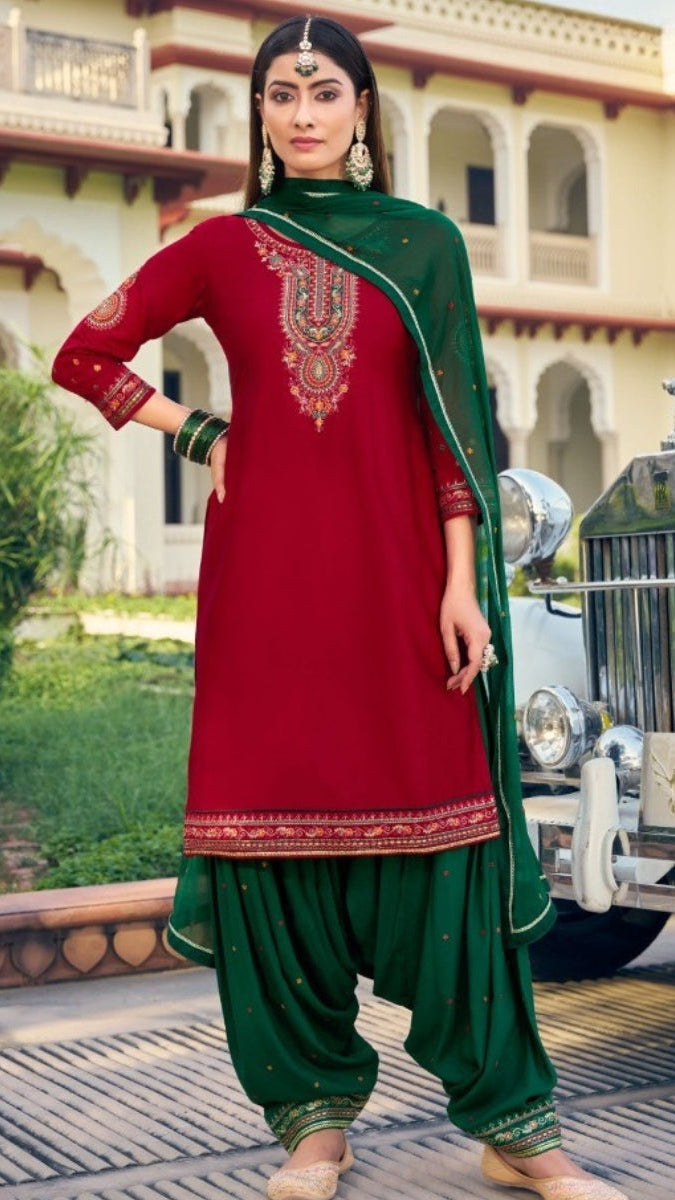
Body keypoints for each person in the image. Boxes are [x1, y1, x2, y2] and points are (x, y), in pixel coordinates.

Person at [52, 15, 629, 1200]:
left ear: (363, 108)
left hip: (405, 582)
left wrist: (463, 583)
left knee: (449, 834)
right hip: (264, 595)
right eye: (282, 94)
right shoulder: (223, 248)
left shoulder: (425, 246)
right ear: (261, 114)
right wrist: (199, 431)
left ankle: (517, 1129)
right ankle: (311, 1122)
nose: (303, 113)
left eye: (324, 92)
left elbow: (454, 425)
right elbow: (84, 354)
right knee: (269, 842)